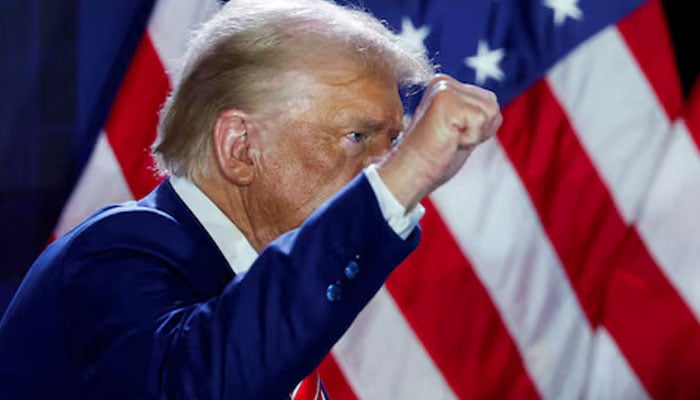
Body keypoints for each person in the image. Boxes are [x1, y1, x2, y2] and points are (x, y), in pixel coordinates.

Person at [0, 0, 501, 398]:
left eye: (392, 142)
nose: (382, 163)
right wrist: (407, 171)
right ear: (240, 147)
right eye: (357, 136)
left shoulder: (250, 305)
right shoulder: (113, 253)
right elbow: (205, 386)